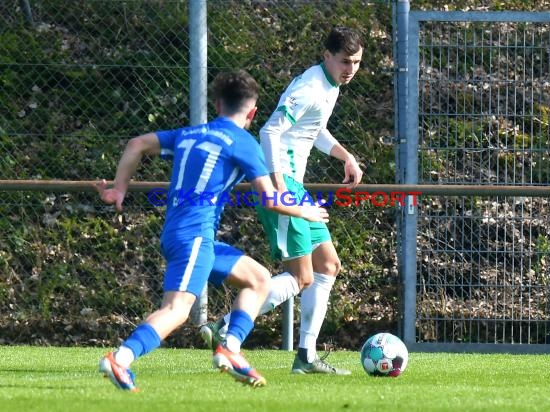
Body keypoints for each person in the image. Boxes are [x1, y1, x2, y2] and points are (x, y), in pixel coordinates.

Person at [97, 70, 329, 391]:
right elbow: (269, 198)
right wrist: (303, 209)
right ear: (252, 113)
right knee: (176, 310)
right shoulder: (244, 143)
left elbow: (137, 144)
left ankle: (230, 349)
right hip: (194, 237)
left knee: (258, 279)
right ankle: (120, 359)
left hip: (186, 235)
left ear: (217, 105)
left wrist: (119, 188)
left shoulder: (190, 134)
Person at [200, 26, 364, 375]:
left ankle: (306, 355)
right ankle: (227, 325)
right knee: (302, 276)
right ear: (327, 57)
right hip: (285, 183)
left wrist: (345, 156)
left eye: (356, 62)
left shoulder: (329, 85)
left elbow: (313, 130)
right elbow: (269, 129)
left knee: (329, 266)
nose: (350, 68)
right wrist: (277, 183)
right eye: (345, 61)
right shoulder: (309, 87)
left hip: (295, 185)